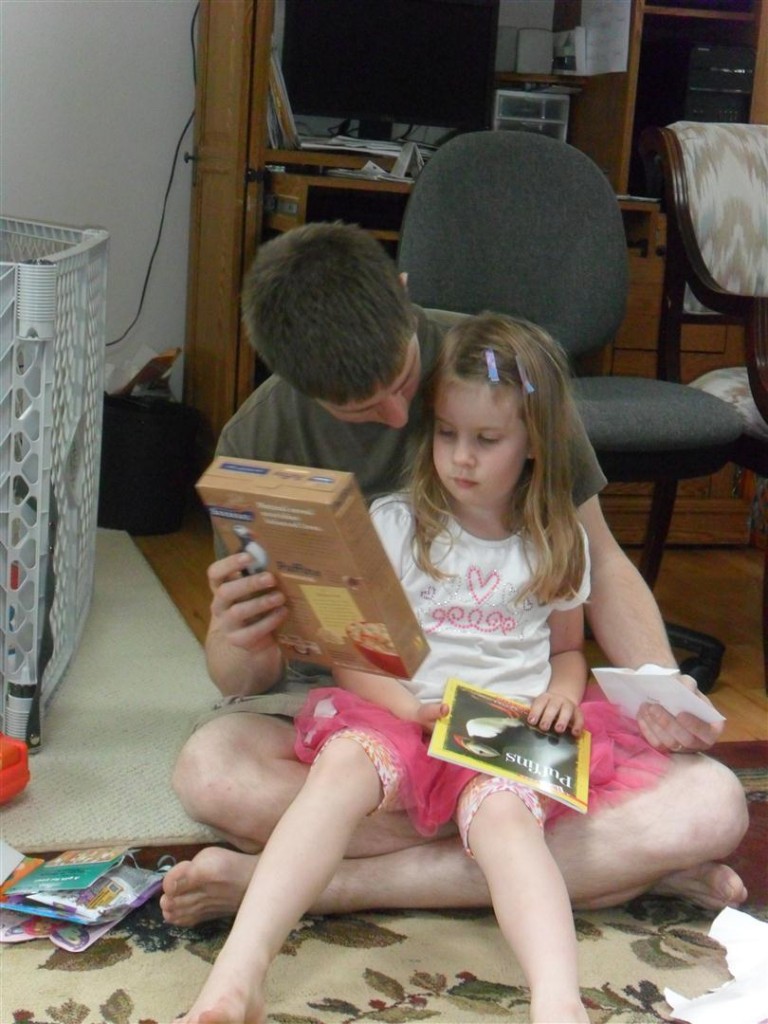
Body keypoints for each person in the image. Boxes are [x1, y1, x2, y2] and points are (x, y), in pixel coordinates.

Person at [161, 222, 747, 933]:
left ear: (404, 297)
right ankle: (590, 868)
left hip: (500, 721)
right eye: (361, 410)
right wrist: (235, 634)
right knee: (211, 768)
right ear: (294, 381)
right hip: (365, 724)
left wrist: (659, 683)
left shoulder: (499, 371)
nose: (400, 417)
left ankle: (316, 883)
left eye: (405, 382)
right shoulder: (259, 439)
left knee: (713, 803)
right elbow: (242, 680)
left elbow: (600, 558)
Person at [177, 314, 672, 1024]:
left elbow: (568, 649)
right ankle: (236, 977)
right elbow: (357, 649)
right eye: (446, 435)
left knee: (515, 820)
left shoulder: (558, 538)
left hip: (504, 732)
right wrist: (406, 710)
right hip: (406, 715)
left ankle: (558, 1002)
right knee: (335, 768)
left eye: (486, 440)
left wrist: (566, 697)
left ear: (535, 443)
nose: (461, 458)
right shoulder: (398, 524)